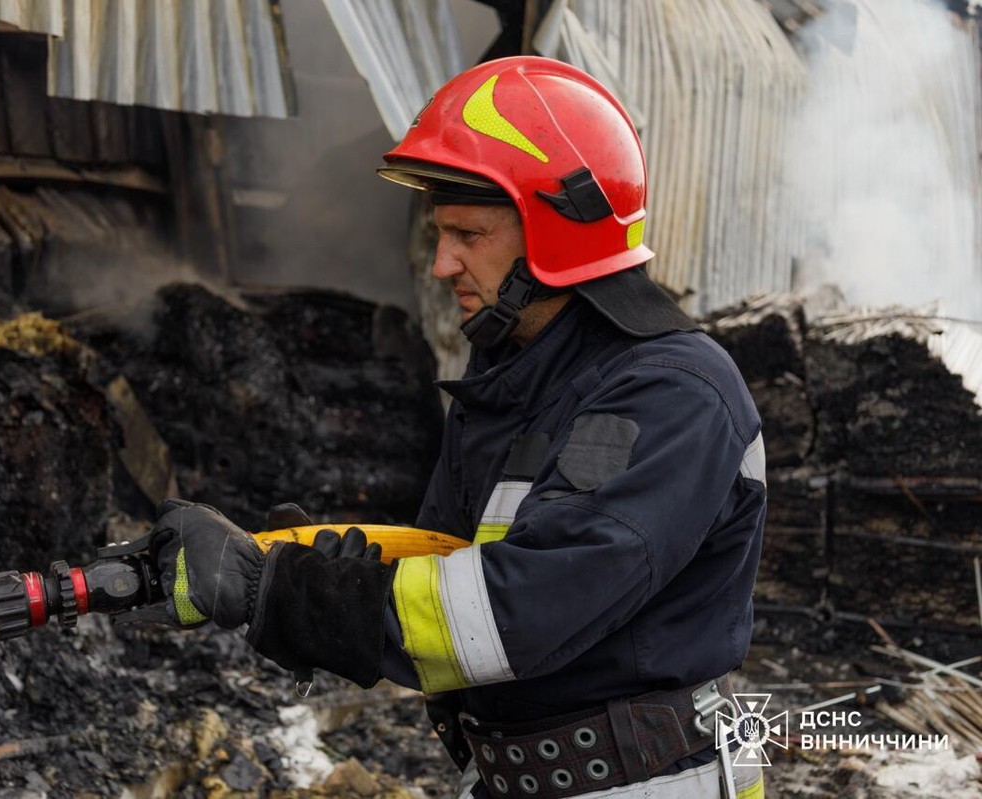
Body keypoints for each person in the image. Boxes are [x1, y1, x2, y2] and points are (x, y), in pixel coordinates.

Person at [149, 56, 767, 798]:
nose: (443, 263)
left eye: (469, 233)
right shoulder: (519, 382)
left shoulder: (671, 393)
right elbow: (449, 561)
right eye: (442, 233)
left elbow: (521, 608)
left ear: (561, 235)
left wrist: (285, 593)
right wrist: (287, 560)